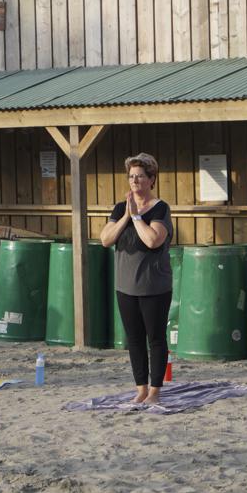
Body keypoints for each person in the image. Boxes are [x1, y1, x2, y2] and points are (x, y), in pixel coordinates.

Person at [100, 153, 173, 405]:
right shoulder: (121, 208)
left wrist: (137, 218)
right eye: (131, 176)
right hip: (125, 286)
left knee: (155, 339)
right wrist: (125, 217)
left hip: (154, 286)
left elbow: (153, 240)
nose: (135, 181)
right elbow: (105, 239)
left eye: (140, 176)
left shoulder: (161, 208)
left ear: (152, 179)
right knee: (134, 340)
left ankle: (154, 391)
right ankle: (140, 388)